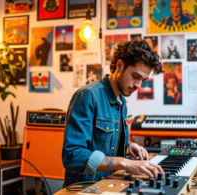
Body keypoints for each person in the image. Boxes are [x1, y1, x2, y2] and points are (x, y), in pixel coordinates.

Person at [62, 38, 165, 186]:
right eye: (136, 76)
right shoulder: (88, 96)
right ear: (119, 65)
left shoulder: (121, 101)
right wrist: (125, 163)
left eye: (143, 80)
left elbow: (105, 143)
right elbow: (73, 156)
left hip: (110, 184)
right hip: (85, 188)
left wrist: (128, 146)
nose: (138, 86)